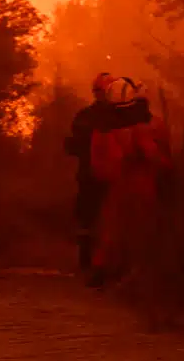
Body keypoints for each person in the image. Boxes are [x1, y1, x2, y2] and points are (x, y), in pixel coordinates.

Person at [64, 72, 157, 284]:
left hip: (112, 180)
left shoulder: (104, 120)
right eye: (97, 91)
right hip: (101, 178)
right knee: (97, 223)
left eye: (101, 91)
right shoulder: (96, 118)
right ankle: (98, 267)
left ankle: (103, 269)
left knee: (110, 225)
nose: (99, 95)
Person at [85, 76, 173, 286]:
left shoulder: (102, 128)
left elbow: (97, 162)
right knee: (138, 231)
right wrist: (169, 167)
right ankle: (131, 274)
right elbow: (152, 155)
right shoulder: (140, 127)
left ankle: (103, 272)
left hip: (115, 186)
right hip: (139, 185)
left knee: (111, 230)